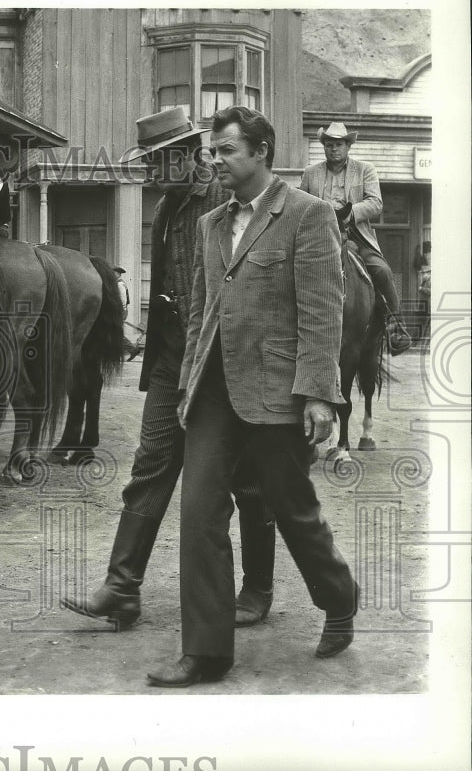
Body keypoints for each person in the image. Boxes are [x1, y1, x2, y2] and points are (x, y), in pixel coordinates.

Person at [146, 107, 359, 688]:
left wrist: (319, 395)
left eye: (226, 150)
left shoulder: (309, 216)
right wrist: (189, 379)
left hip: (277, 392)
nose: (214, 159)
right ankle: (207, 653)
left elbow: (322, 311)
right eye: (212, 151)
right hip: (213, 391)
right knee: (199, 514)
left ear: (261, 151)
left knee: (292, 509)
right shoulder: (210, 223)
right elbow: (200, 311)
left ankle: (340, 597)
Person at [61, 106, 275, 632]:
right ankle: (122, 588)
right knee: (150, 467)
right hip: (172, 364)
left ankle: (258, 588)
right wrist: (159, 361)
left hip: (228, 365)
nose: (152, 173)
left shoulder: (228, 201)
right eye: (148, 164)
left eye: (159, 163)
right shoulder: (165, 209)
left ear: (188, 156)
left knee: (245, 481)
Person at [300, 122, 412, 355]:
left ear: (348, 145)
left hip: (355, 234)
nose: (333, 149)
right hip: (319, 234)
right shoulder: (311, 173)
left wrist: (349, 213)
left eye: (338, 144)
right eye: (329, 145)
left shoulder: (365, 169)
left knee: (381, 270)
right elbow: (301, 203)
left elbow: (376, 203)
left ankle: (396, 327)